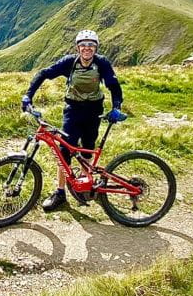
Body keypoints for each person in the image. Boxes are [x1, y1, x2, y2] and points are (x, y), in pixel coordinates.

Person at [21, 29, 126, 212]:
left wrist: (116, 107)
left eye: (91, 46)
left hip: (94, 110)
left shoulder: (101, 63)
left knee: (87, 149)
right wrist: (28, 96)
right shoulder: (69, 62)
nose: (87, 49)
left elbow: (114, 86)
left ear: (96, 48)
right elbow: (44, 73)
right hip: (73, 110)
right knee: (64, 151)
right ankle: (60, 193)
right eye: (83, 45)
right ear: (78, 47)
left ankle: (87, 187)